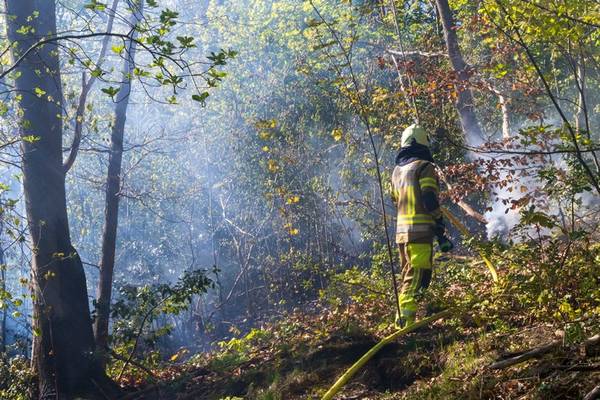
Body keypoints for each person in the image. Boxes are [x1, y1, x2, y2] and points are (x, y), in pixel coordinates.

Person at [391, 124, 452, 329]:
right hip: (419, 232)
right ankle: (405, 322)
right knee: (419, 274)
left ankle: (402, 320)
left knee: (408, 275)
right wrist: (439, 222)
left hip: (402, 233)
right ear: (423, 143)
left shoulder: (397, 171)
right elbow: (429, 198)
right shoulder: (425, 167)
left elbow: (395, 199)